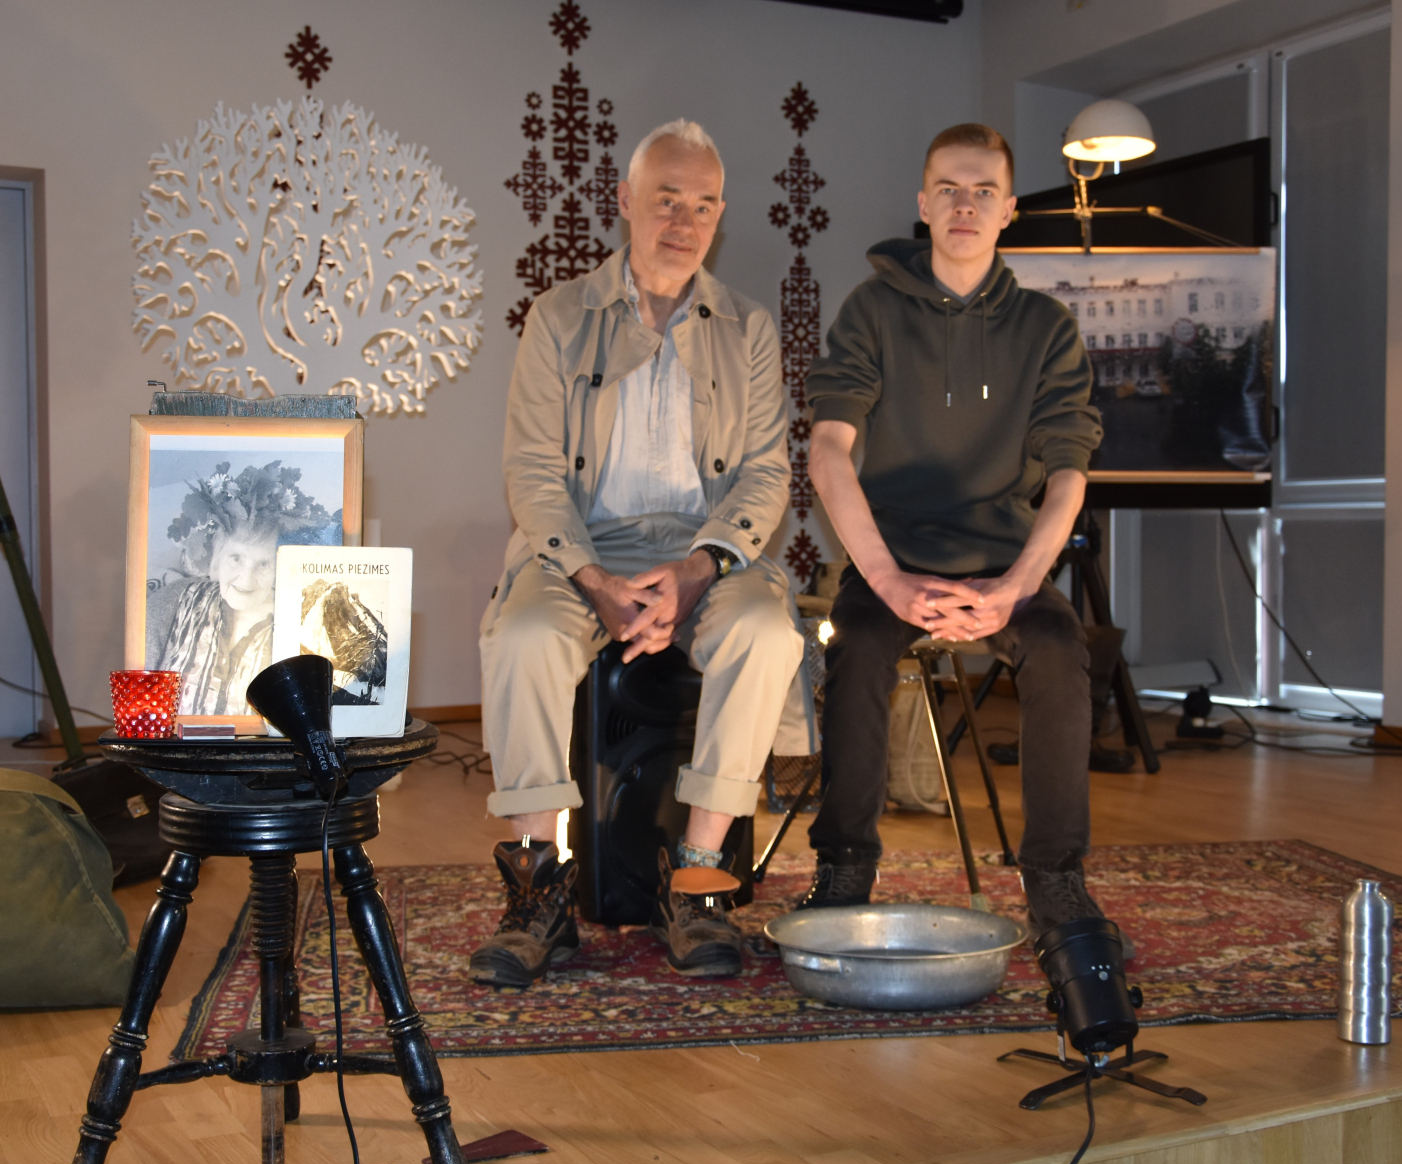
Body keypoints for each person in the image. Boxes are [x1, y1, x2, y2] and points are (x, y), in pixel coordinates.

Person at [472, 120, 807, 987]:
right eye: (666, 200)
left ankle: (696, 881)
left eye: (703, 205)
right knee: (523, 636)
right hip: (581, 548)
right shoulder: (558, 317)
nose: (683, 222)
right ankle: (538, 890)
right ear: (625, 201)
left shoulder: (748, 327)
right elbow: (532, 469)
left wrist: (699, 570)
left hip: (704, 550)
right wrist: (591, 578)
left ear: (720, 216)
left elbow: (765, 474)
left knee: (767, 632)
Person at [800, 123, 1108, 943]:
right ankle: (844, 869)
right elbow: (828, 451)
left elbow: (1069, 473)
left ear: (1009, 210)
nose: (964, 206)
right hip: (892, 558)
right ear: (923, 205)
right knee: (859, 645)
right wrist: (888, 580)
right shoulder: (872, 310)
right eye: (948, 190)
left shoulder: (1046, 326)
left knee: (1060, 649)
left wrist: (1016, 587)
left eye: (982, 192)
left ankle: (1056, 881)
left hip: (1005, 561)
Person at [146, 461, 334, 715]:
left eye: (264, 564)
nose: (246, 579)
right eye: (236, 558)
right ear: (217, 556)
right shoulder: (176, 599)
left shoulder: (304, 623)